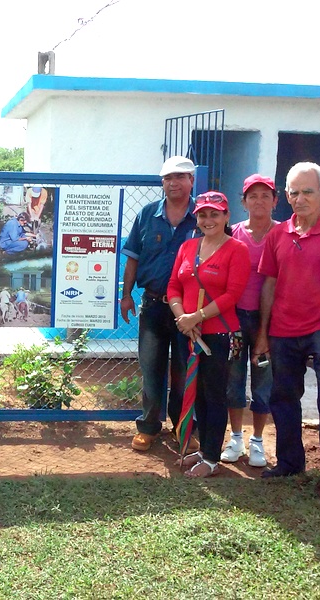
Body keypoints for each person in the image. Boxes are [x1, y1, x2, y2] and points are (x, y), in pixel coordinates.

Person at [254, 162, 320, 505]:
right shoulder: (278, 234)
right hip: (283, 332)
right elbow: (268, 285)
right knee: (282, 396)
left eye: (308, 192)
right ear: (286, 196)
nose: (300, 199)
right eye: (294, 193)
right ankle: (289, 462)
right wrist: (264, 333)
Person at [120, 156, 199, 453]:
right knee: (151, 369)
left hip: (188, 311)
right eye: (168, 178)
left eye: (180, 177)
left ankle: (183, 428)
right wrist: (126, 295)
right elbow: (133, 258)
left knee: (183, 369)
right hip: (153, 305)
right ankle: (149, 427)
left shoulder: (203, 216)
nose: (173, 183)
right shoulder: (147, 214)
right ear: (162, 182)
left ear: (191, 180)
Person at [168, 192, 250, 477]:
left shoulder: (236, 249)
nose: (208, 219)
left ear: (226, 217)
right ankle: (203, 450)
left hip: (218, 335)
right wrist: (182, 318)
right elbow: (173, 286)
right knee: (195, 392)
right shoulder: (188, 247)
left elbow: (233, 294)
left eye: (215, 214)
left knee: (214, 394)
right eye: (203, 214)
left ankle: (213, 458)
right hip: (187, 332)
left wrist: (198, 316)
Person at [220, 175, 279, 468]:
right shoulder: (232, 234)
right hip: (234, 319)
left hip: (269, 323)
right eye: (252, 196)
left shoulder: (283, 234)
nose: (259, 201)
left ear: (275, 201)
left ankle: (258, 442)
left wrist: (266, 331)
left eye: (265, 196)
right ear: (243, 203)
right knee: (233, 379)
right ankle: (236, 438)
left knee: (263, 380)